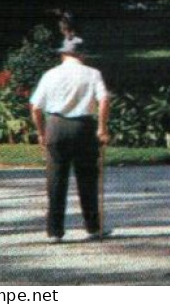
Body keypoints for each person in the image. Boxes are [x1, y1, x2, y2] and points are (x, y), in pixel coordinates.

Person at [28, 36, 112, 242]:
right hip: (83, 127)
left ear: (63, 54)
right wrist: (102, 128)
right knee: (87, 178)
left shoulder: (50, 75)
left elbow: (36, 107)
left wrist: (41, 132)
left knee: (56, 179)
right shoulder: (93, 74)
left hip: (56, 126)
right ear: (81, 54)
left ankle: (55, 231)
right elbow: (104, 100)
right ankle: (93, 227)